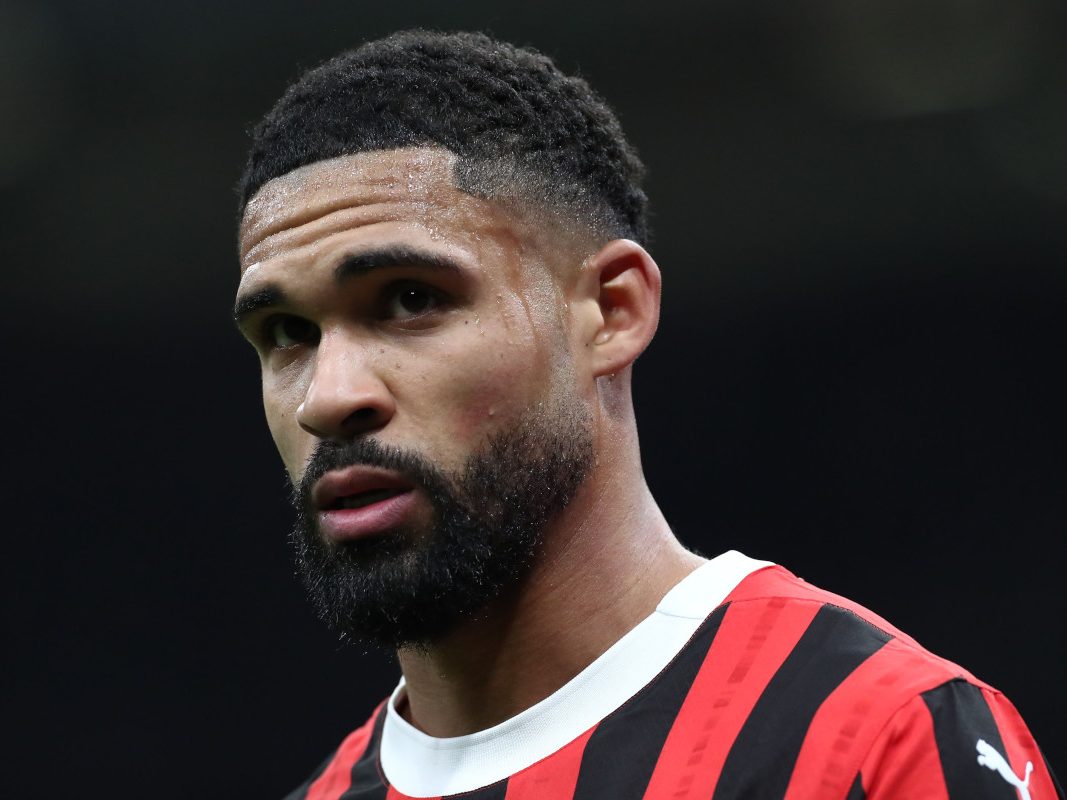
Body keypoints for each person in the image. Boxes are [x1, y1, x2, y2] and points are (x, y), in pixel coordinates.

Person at [232, 30, 1061, 800]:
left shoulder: (868, 739)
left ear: (611, 311)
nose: (329, 397)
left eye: (411, 301)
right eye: (287, 335)